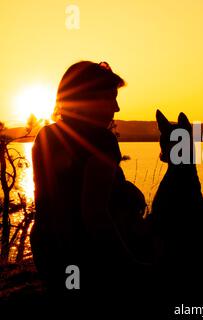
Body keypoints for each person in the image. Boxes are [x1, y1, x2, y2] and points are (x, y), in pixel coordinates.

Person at [30, 61, 152, 296]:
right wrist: (133, 267)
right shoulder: (101, 141)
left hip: (49, 258)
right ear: (88, 99)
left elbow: (54, 203)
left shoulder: (45, 135)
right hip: (89, 260)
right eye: (110, 98)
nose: (116, 108)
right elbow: (94, 215)